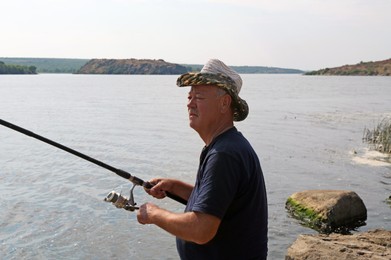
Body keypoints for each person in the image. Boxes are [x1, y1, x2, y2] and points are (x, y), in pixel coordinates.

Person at [137, 59, 268, 259]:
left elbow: (201, 230)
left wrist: (154, 214)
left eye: (198, 96)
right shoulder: (226, 146)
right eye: (189, 96)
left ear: (224, 103)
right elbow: (217, 202)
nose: (190, 103)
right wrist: (174, 186)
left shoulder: (224, 155)